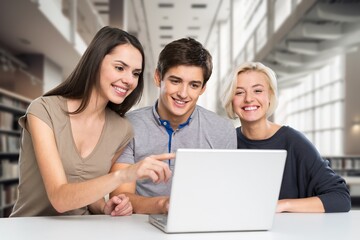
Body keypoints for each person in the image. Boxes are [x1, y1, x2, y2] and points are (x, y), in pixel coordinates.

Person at [10, 26, 172, 217]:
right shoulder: (43, 110)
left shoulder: (122, 129)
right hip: (28, 229)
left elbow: (87, 190)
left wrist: (104, 207)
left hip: (84, 230)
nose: (129, 80)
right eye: (120, 68)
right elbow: (60, 198)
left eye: (136, 73)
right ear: (95, 63)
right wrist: (125, 174)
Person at [110, 37, 237, 214]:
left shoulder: (222, 130)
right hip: (139, 226)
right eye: (175, 81)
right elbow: (120, 197)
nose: (183, 94)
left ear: (202, 89)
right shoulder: (127, 126)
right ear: (158, 77)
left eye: (194, 85)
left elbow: (227, 193)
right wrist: (164, 205)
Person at [221, 61, 351, 213]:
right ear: (231, 99)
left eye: (257, 91)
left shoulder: (293, 141)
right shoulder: (226, 143)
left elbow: (340, 198)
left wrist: (282, 205)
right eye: (239, 92)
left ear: (270, 96)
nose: (249, 99)